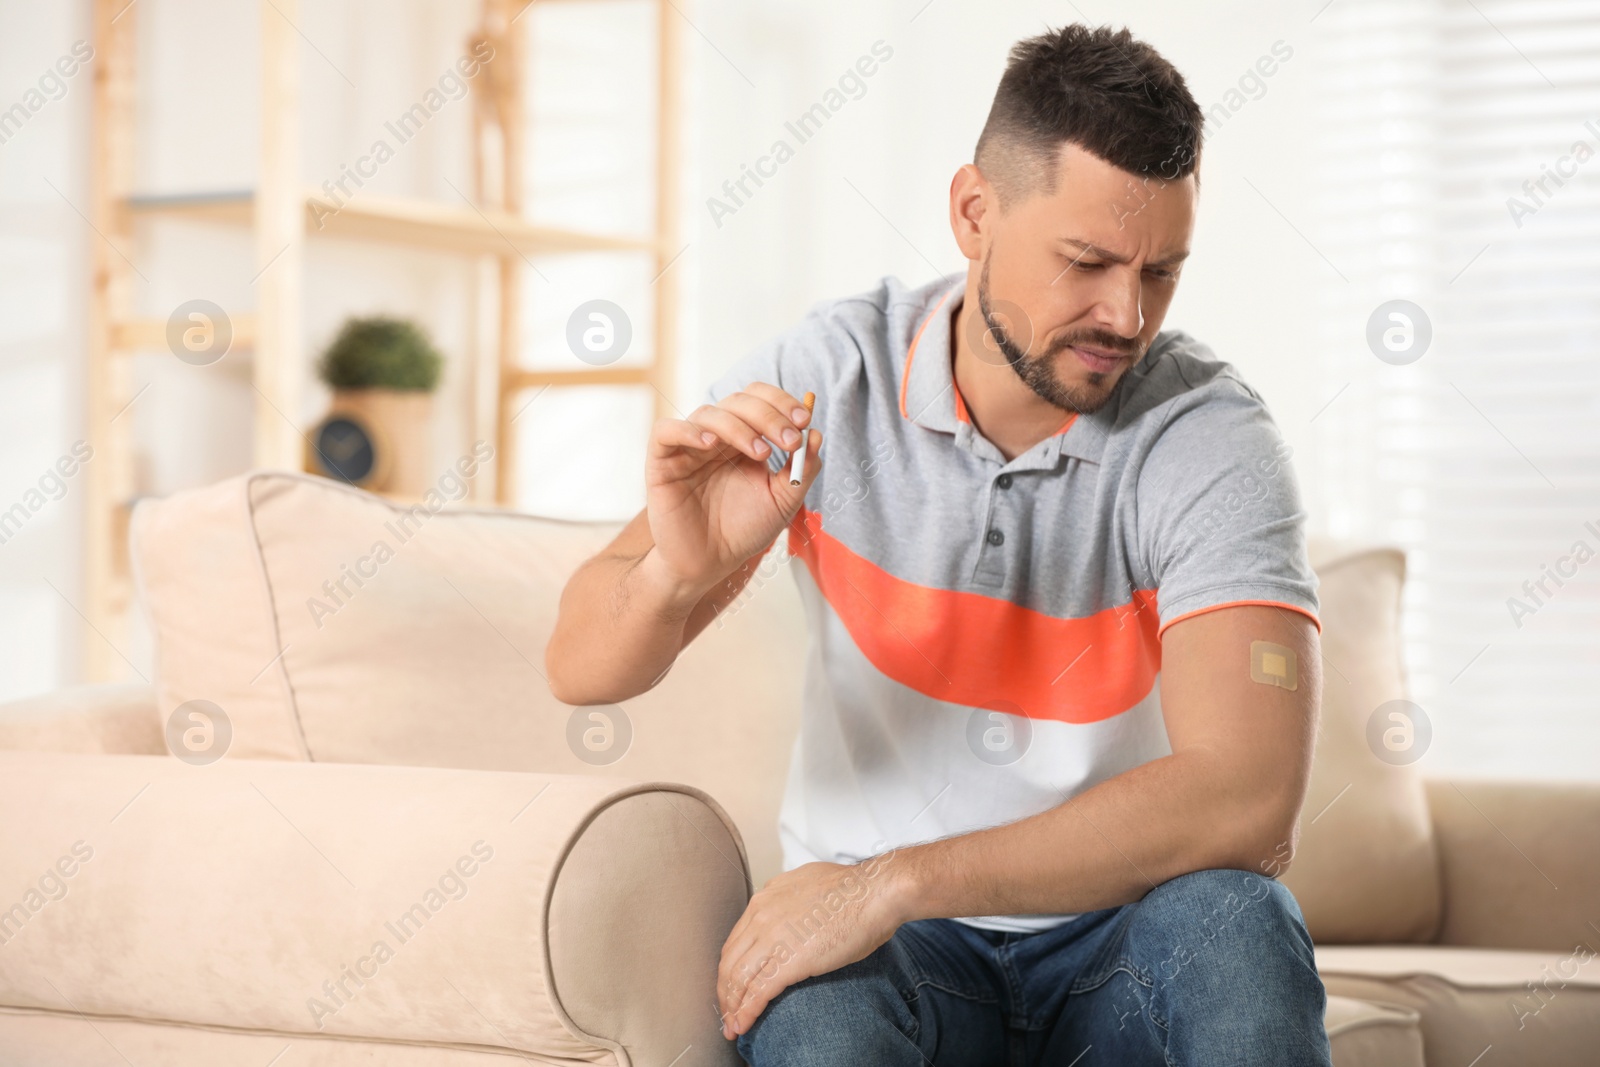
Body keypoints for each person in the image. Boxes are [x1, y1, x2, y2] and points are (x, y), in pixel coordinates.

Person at [547, 22, 1333, 1067]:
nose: (1125, 314)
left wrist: (896, 877)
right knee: (816, 1008)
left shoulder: (1207, 436)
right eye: (1086, 262)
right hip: (892, 955)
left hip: (1114, 933)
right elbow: (579, 668)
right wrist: (680, 576)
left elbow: (1245, 797)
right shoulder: (831, 374)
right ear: (974, 212)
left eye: (1161, 273)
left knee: (1239, 923)